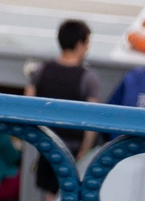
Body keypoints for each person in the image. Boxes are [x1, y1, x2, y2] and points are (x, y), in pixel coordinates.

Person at [25, 19, 99, 156]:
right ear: (79, 44)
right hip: (72, 151)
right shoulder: (87, 77)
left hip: (44, 146)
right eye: (87, 44)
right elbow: (91, 121)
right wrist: (83, 153)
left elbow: (27, 105)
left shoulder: (41, 70)